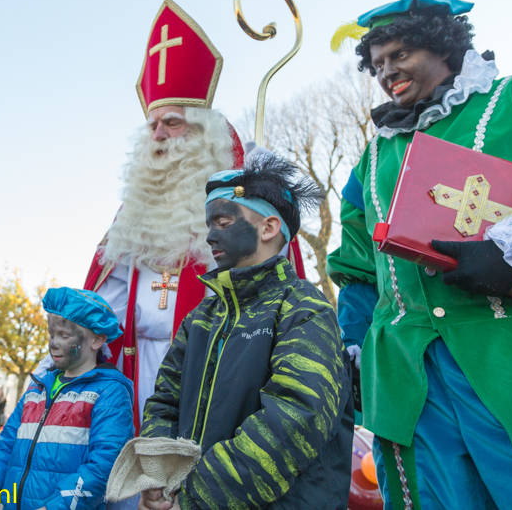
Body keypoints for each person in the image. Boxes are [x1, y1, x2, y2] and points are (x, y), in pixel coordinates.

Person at [327, 0, 512, 509]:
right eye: (376, 64)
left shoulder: (511, 102)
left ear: (441, 45)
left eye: (400, 54)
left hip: (506, 358)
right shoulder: (371, 160)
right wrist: (353, 348)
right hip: (407, 378)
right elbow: (355, 270)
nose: (387, 72)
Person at [80, 0, 307, 441]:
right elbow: (105, 295)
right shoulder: (136, 209)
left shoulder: (243, 200)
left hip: (217, 369)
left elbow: (279, 280)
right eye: (152, 126)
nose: (159, 135)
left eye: (173, 123)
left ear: (205, 132)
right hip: (132, 374)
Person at [138, 150, 353, 509]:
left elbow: (294, 420)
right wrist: (158, 479)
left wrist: (195, 495)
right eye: (208, 225)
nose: (209, 237)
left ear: (268, 228)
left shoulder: (305, 310)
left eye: (222, 222)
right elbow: (163, 403)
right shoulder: (200, 319)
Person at [0, 287, 134, 510]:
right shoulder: (37, 389)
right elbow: (4, 445)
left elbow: (105, 465)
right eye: (51, 334)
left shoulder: (110, 392)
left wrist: (56, 507)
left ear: (97, 340)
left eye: (64, 336)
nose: (53, 343)